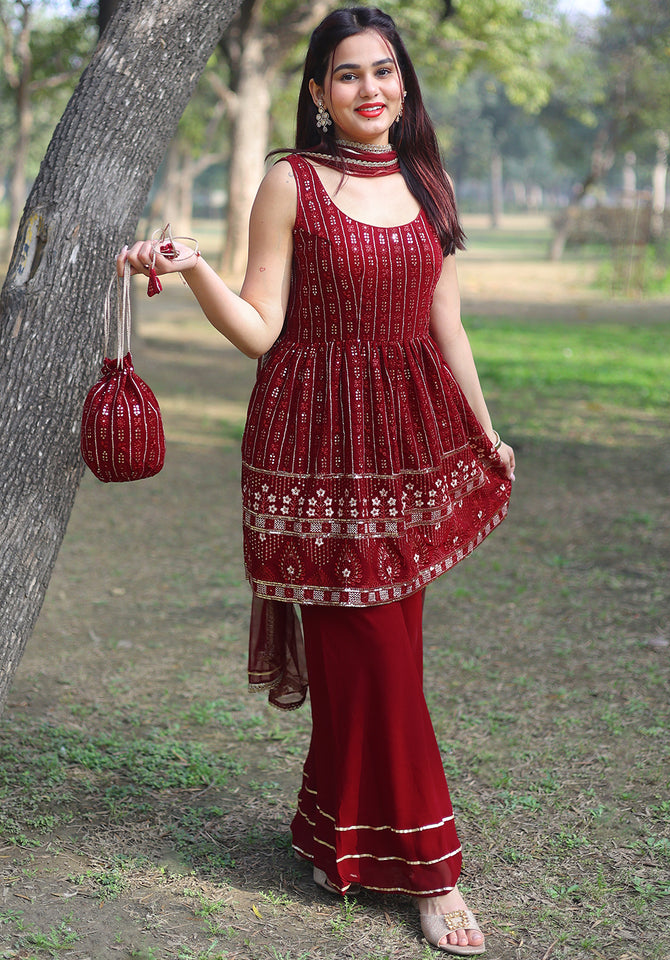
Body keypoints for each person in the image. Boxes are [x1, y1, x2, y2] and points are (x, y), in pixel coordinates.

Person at [118, 7, 514, 954]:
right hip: (315, 452)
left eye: (384, 70)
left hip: (408, 449)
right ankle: (431, 870)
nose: (369, 88)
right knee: (375, 658)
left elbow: (444, 324)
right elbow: (260, 327)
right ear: (317, 93)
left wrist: (486, 431)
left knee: (381, 660)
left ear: (404, 85)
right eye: (347, 74)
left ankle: (331, 834)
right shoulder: (291, 181)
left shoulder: (428, 181)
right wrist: (199, 267)